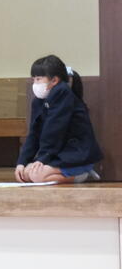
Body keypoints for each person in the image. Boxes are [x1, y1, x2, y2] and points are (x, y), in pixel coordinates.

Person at [15, 55, 102, 184]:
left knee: (37, 176)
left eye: (38, 79)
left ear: (54, 80)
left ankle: (82, 174)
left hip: (75, 153)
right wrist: (22, 162)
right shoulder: (38, 101)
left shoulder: (63, 93)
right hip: (57, 152)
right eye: (33, 79)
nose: (35, 84)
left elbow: (54, 130)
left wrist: (42, 158)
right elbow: (34, 133)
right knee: (26, 173)